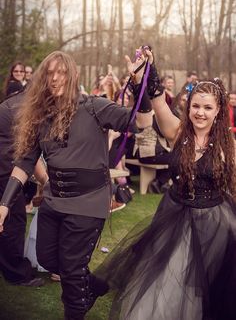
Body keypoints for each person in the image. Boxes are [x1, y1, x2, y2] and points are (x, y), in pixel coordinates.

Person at [0, 50, 152, 320]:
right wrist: (4, 204)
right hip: (54, 201)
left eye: (62, 73)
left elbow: (141, 123)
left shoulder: (95, 107)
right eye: (50, 73)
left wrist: (141, 84)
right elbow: (25, 163)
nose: (55, 79)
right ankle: (94, 284)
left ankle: (76, 310)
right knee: (47, 259)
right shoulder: (40, 116)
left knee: (70, 273)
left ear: (73, 76)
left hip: (88, 204)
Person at [95, 49, 236, 320]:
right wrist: (148, 72)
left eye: (208, 107)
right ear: (188, 106)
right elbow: (158, 102)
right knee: (169, 276)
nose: (200, 113)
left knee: (203, 285)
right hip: (175, 217)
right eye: (196, 106)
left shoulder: (227, 147)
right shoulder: (177, 132)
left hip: (214, 223)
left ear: (218, 111)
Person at [0, 89, 46, 287]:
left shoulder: (14, 101)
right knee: (14, 221)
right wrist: (45, 180)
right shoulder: (25, 110)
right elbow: (28, 152)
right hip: (6, 171)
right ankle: (17, 274)